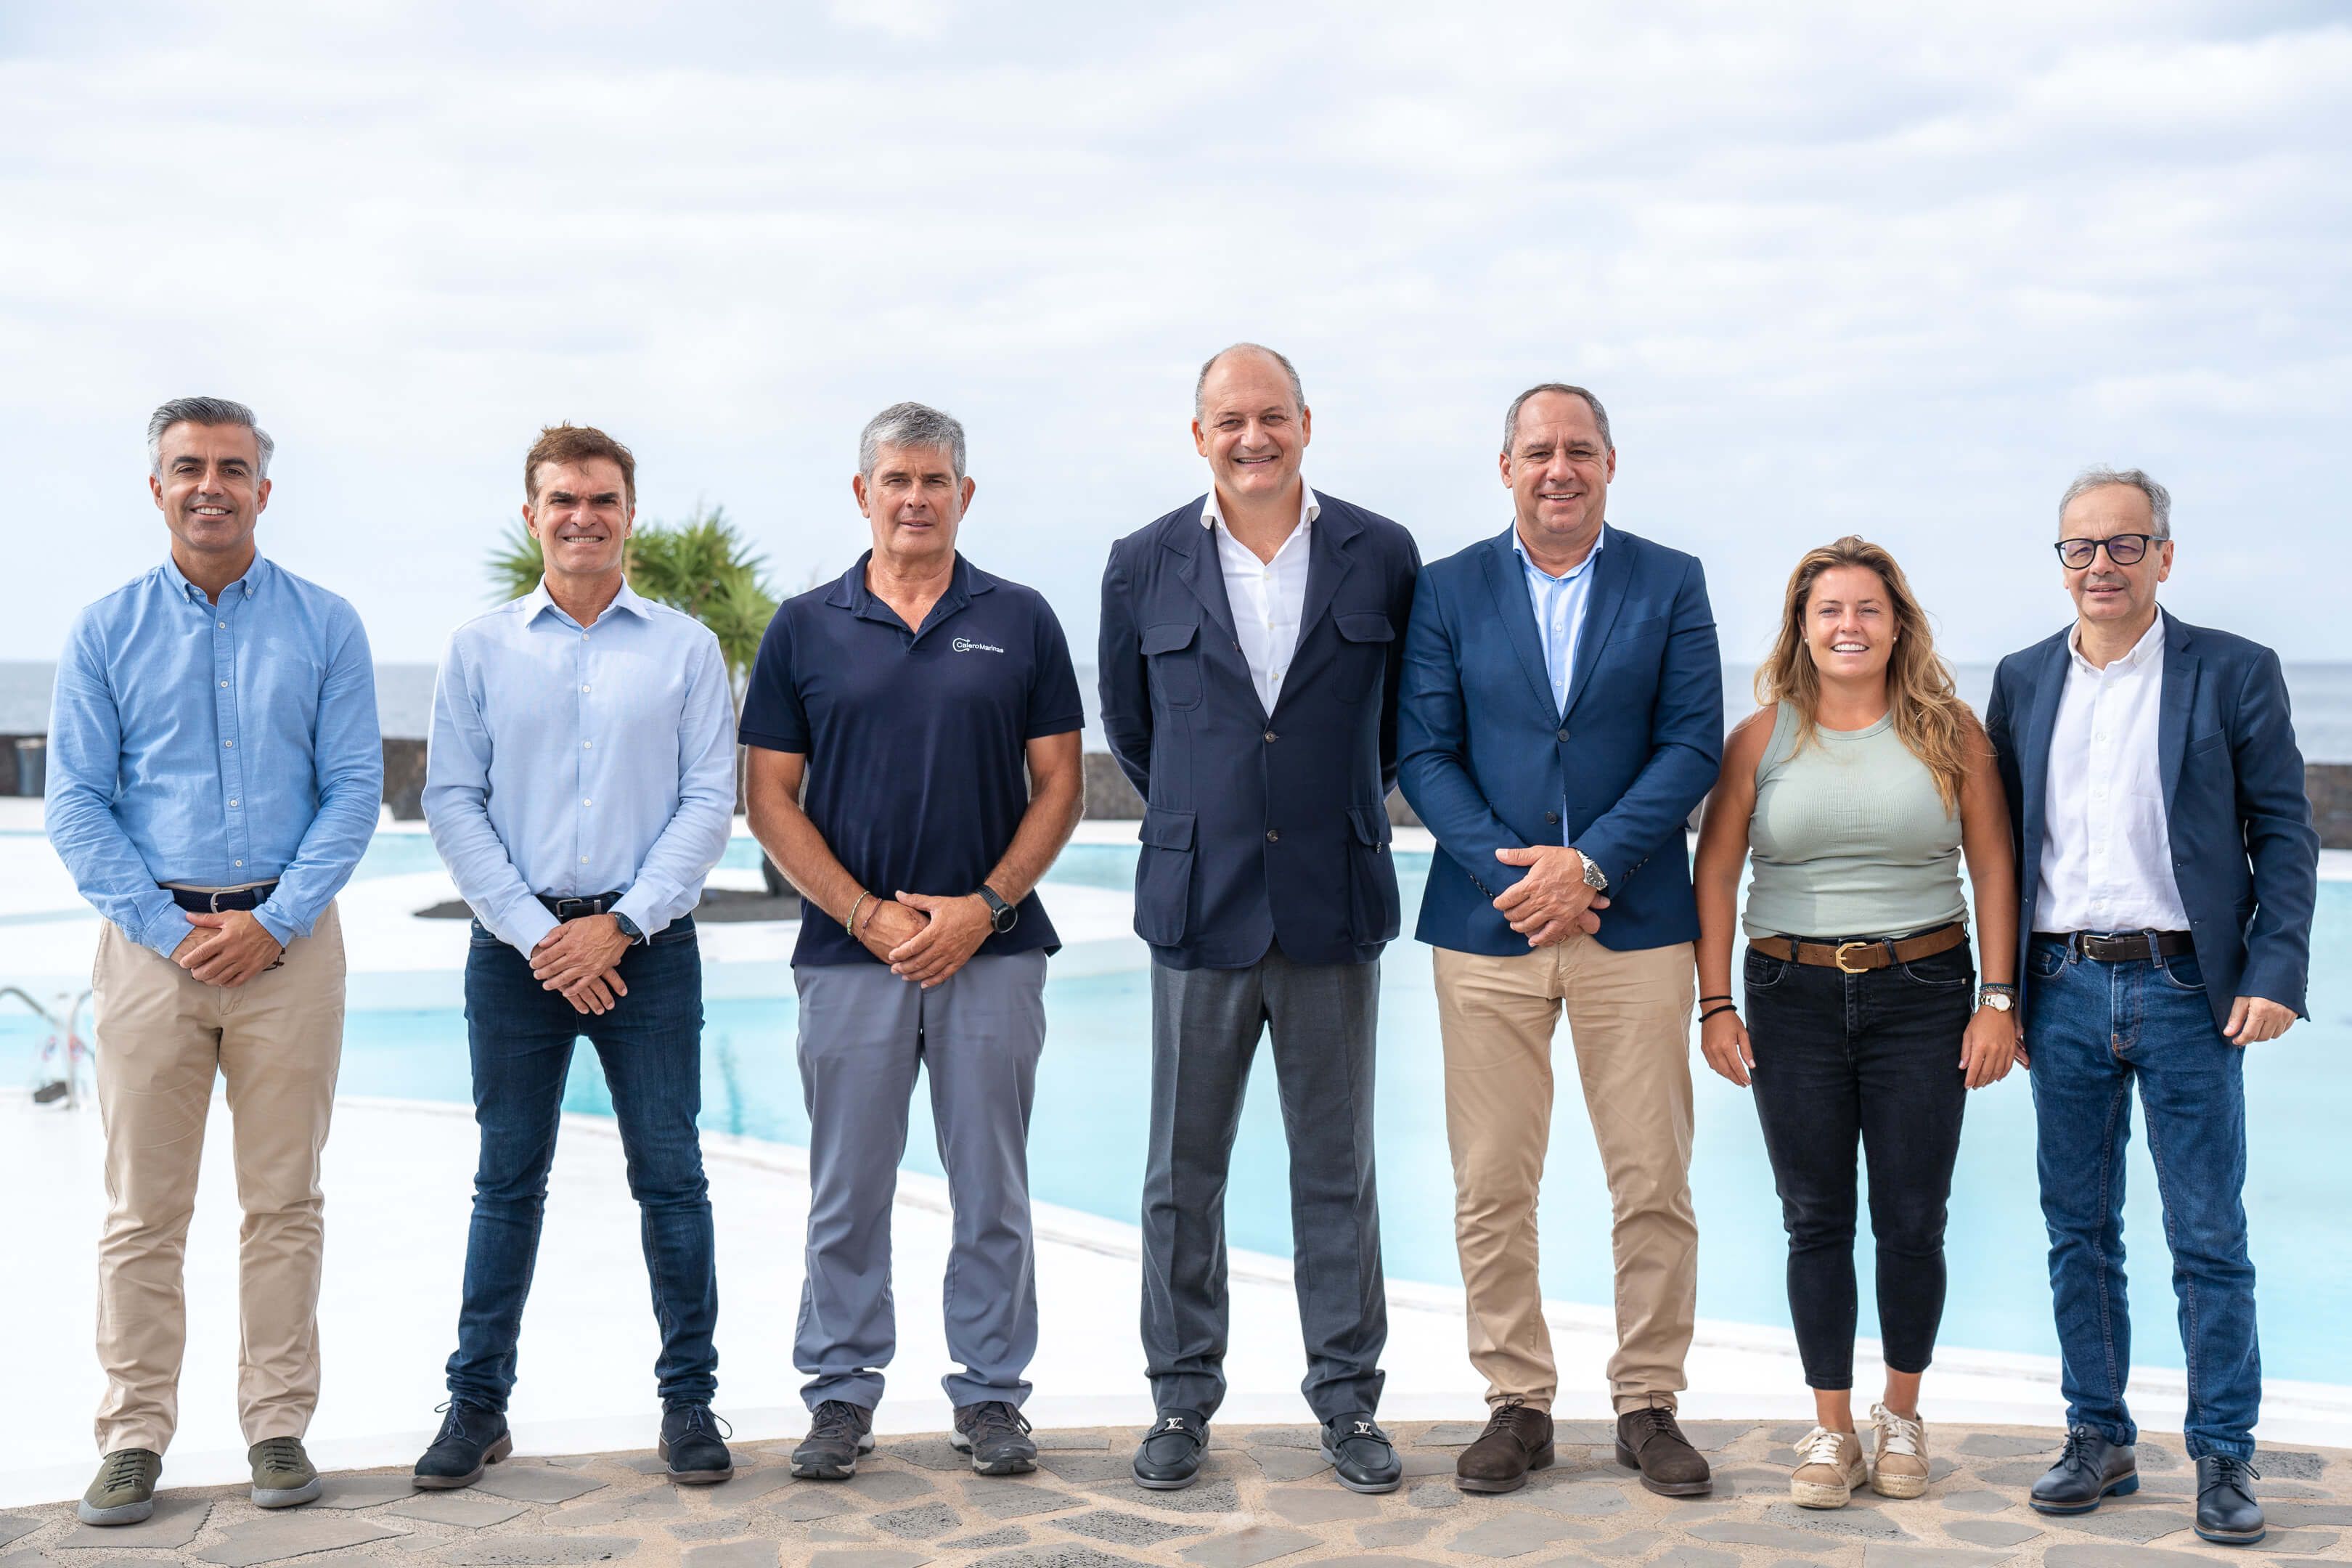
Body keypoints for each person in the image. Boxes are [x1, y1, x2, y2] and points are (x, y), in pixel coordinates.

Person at [48, 397, 383, 1524]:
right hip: (152, 955)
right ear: (156, 488)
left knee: (284, 1202)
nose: (210, 486)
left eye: (232, 468)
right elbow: (78, 806)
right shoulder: (102, 631)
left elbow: (352, 794)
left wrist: (275, 922)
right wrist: (166, 927)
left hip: (290, 952)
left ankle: (277, 1424)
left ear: (263, 491)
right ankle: (135, 1434)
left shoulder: (328, 624)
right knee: (144, 1211)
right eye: (188, 467)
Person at [1098, 343, 1421, 1493]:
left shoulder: (1381, 554)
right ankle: (1180, 1401)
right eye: (1229, 419)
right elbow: (1137, 737)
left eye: (1272, 416)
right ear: (1198, 435)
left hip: (1334, 903)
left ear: (1306, 424)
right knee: (1182, 1175)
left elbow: (1393, 732)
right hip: (1199, 906)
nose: (1253, 437)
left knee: (1337, 1170)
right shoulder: (1141, 564)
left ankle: (1348, 1404)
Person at [743, 402, 1085, 1481]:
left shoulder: (1021, 620)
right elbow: (768, 797)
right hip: (852, 958)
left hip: (995, 951)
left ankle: (991, 1397)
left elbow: (1062, 785)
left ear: (965, 496)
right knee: (849, 1188)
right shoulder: (804, 626)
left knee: (993, 1188)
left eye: (936, 480)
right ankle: (840, 1394)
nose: (916, 499)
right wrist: (868, 914)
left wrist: (982, 907)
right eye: (896, 480)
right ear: (863, 494)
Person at [1397, 383, 1721, 1498]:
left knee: (1652, 1175)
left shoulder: (1670, 581)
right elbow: (1424, 753)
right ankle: (1517, 1402)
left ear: (1611, 465)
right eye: (1539, 451)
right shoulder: (1443, 589)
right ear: (1506, 468)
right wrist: (1524, 879)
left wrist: (1590, 868)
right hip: (1486, 927)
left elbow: (1690, 748)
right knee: (1492, 1178)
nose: (1559, 470)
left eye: (1579, 451)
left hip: (1632, 925)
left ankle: (1648, 1403)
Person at [1987, 468, 2318, 1548]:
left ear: (2164, 556)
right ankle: (2099, 1436)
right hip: (2065, 986)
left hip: (2189, 992)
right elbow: (1998, 852)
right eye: (2080, 547)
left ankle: (2224, 1455)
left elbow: (2287, 833)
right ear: (2062, 560)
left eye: (2125, 546)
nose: (2101, 566)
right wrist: (2005, 992)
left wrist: (2273, 971)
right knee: (2077, 1233)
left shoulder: (2233, 671)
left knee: (2208, 1235)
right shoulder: (2023, 680)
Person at [417, 424, 738, 1489]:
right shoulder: (479, 649)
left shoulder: (686, 649)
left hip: (650, 949)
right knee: (507, 1184)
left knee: (673, 1180)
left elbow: (707, 803)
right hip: (518, 955)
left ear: (628, 513)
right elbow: (452, 802)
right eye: (562, 499)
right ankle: (476, 1406)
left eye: (602, 498)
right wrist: (539, 936)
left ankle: (690, 1404)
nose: (582, 516)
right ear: (533, 514)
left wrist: (622, 926)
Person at [1691, 536, 2021, 1509]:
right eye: (1828, 610)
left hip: (1921, 994)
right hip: (1787, 995)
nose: (1848, 626)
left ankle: (1902, 1416)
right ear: (1802, 627)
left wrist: (1996, 1001)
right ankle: (1833, 1429)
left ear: (1898, 624)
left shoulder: (1949, 730)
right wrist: (1714, 1004)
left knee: (1915, 1219)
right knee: (1815, 1219)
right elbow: (1715, 872)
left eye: (1867, 609)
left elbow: (1995, 865)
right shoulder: (1759, 739)